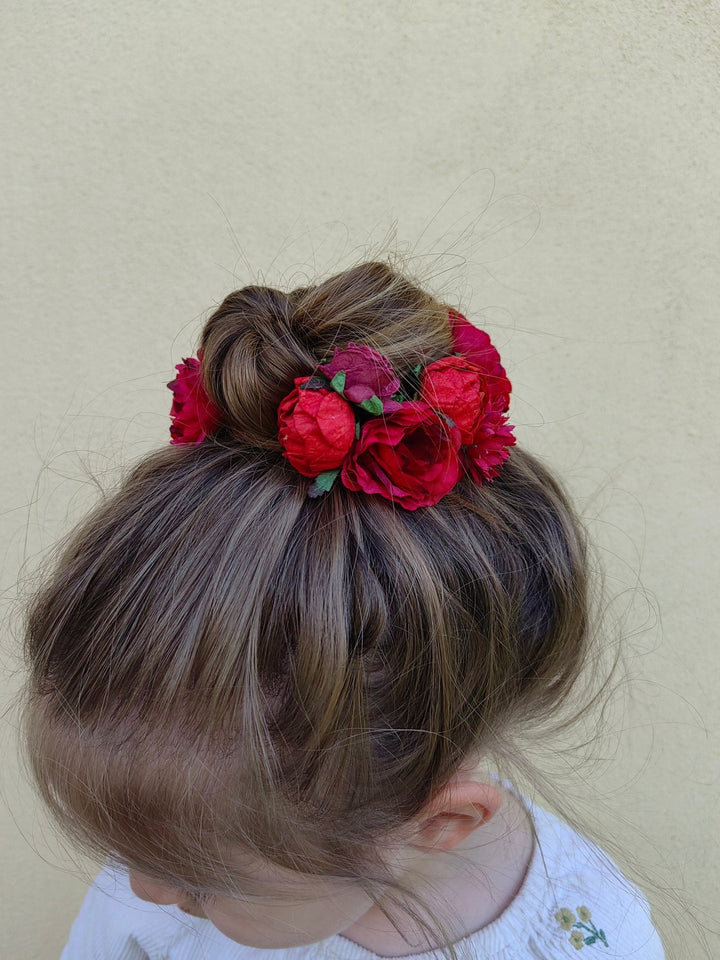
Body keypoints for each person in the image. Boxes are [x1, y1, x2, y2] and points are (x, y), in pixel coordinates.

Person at [20, 260, 665, 959]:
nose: (141, 888)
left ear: (437, 825)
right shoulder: (180, 848)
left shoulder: (586, 938)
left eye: (199, 884)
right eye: (131, 848)